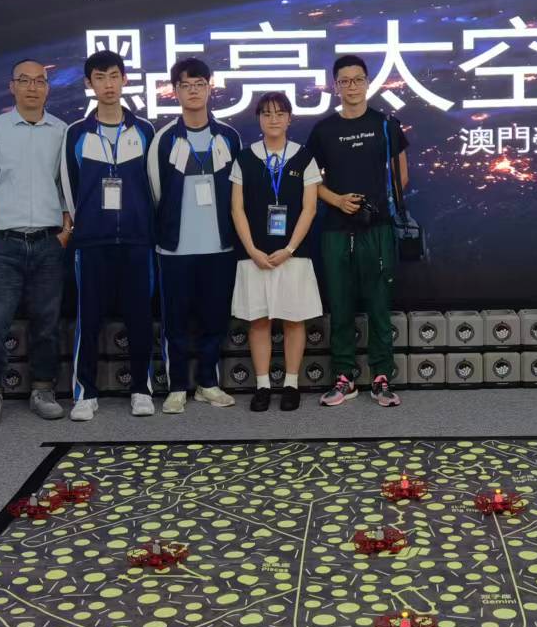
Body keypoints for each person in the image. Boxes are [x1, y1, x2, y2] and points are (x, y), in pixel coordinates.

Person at [0, 58, 72, 428]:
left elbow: (66, 187)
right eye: (24, 80)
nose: (32, 87)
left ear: (47, 87)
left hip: (48, 242)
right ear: (12, 86)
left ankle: (43, 390)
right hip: (3, 243)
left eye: (39, 81)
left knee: (46, 323)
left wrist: (64, 232)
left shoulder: (62, 131)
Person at [59, 50, 157, 420]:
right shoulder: (76, 133)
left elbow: (154, 187)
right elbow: (69, 187)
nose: (108, 84)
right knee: (88, 319)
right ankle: (85, 393)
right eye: (100, 78)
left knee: (140, 318)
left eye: (114, 76)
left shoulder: (144, 130)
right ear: (89, 84)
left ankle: (141, 389)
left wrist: (143, 224)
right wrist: (83, 226)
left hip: (137, 240)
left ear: (125, 79)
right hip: (92, 242)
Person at [308, 54, 408, 407]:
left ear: (367, 82)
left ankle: (381, 377)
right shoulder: (323, 131)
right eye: (344, 81)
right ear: (336, 86)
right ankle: (344, 377)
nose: (352, 86)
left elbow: (401, 175)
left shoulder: (386, 125)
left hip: (377, 230)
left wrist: (377, 205)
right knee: (340, 305)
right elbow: (311, 181)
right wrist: (337, 200)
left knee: (379, 305)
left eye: (358, 79)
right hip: (335, 229)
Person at [148, 58, 243, 414]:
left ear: (209, 87)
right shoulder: (163, 139)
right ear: (174, 91)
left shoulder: (229, 136)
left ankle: (207, 383)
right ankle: (177, 387)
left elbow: (238, 192)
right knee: (174, 322)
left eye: (199, 84)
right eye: (185, 85)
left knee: (214, 319)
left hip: (220, 247)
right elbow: (155, 192)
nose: (193, 91)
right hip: (175, 250)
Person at [229, 93, 324, 411]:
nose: (273, 119)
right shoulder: (245, 158)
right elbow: (237, 209)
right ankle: (262, 386)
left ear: (289, 119)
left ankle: (291, 384)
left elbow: (310, 208)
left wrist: (290, 248)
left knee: (294, 320)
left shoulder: (304, 157)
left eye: (280, 113)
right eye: (267, 114)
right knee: (258, 320)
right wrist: (252, 250)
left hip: (293, 255)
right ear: (258, 118)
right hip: (254, 255)